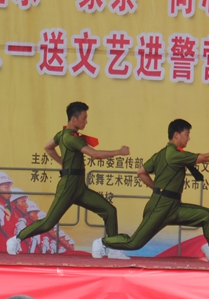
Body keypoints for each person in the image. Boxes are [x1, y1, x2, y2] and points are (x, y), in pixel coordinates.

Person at [94, 119, 209, 263]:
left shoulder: (162, 154)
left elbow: (141, 172)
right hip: (160, 208)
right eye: (187, 134)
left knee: (207, 215)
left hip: (173, 207)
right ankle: (102, 242)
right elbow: (206, 157)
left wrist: (157, 190)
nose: (189, 138)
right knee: (134, 243)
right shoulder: (173, 155)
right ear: (176, 135)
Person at [8, 102, 129, 256]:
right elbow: (95, 154)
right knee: (48, 223)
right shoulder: (71, 138)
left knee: (109, 211)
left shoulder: (62, 135)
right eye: (84, 118)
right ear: (74, 119)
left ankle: (114, 249)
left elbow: (48, 147)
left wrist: (62, 162)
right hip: (68, 186)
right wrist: (119, 152)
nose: (86, 121)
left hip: (79, 187)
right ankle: (16, 239)